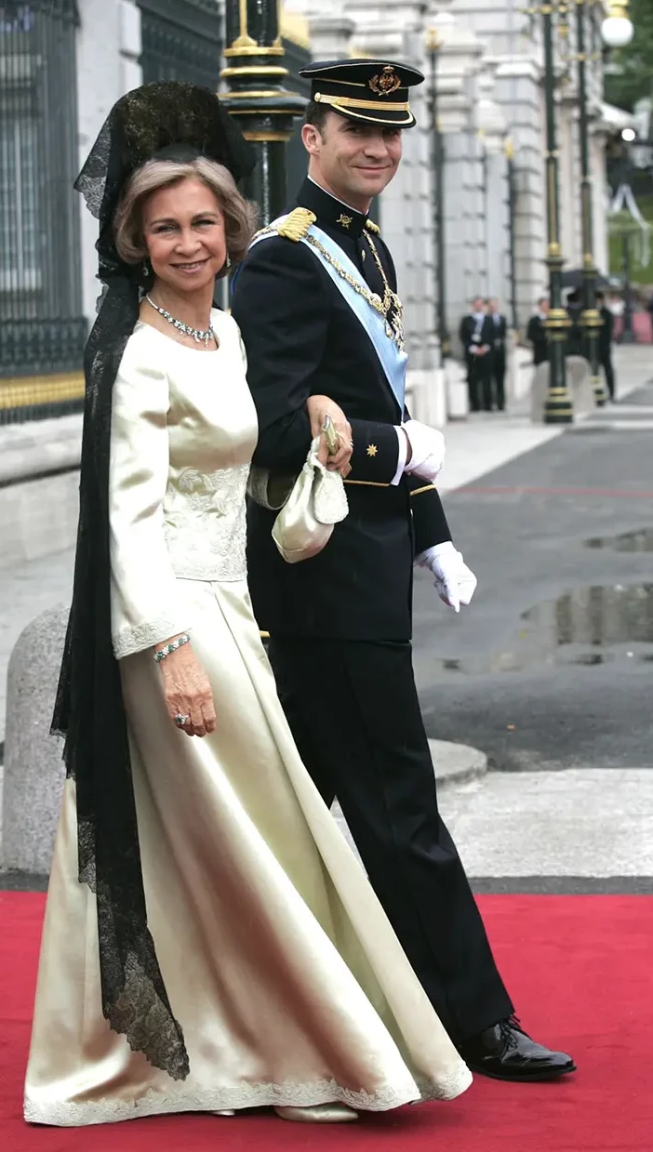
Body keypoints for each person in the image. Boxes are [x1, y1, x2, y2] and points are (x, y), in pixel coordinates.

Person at [24, 81, 471, 1130]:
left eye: (203, 223)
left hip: (232, 607)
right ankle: (302, 1043)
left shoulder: (218, 336)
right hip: (172, 625)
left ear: (229, 228)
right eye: (164, 227)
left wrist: (317, 414)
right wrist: (170, 648)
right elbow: (126, 524)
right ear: (134, 242)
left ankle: (246, 1034)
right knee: (266, 833)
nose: (188, 243)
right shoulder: (135, 355)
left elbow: (244, 462)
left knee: (225, 844)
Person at [231, 58, 575, 1084]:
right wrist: (395, 452)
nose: (376, 148)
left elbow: (377, 384)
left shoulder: (363, 241)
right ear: (309, 135)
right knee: (396, 805)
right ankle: (473, 1021)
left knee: (313, 814)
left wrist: (430, 532)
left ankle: (317, 1011)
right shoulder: (286, 259)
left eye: (390, 132)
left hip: (365, 568)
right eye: (354, 130)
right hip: (324, 580)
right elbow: (276, 424)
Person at [459, 296, 495, 411]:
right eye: (476, 304)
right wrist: (473, 348)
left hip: (486, 353)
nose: (478, 306)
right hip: (472, 354)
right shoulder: (467, 320)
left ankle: (488, 403)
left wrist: (485, 348)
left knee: (487, 379)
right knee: (473, 379)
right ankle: (474, 404)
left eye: (480, 304)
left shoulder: (488, 320)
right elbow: (463, 336)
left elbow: (492, 336)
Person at [487, 297, 508, 411]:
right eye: (491, 305)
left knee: (500, 379)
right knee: (490, 379)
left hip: (500, 352)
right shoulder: (486, 319)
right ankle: (490, 402)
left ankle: (501, 402)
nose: (493, 307)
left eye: (494, 305)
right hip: (490, 353)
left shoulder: (502, 318)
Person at [597, 291, 616, 401]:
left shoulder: (607, 314)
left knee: (608, 369)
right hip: (592, 348)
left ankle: (611, 392)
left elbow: (609, 332)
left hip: (604, 346)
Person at [526, 297, 549, 366]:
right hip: (539, 351)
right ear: (539, 306)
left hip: (550, 352)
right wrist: (542, 337)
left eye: (547, 305)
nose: (545, 307)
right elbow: (530, 335)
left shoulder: (551, 319)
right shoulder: (534, 320)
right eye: (544, 305)